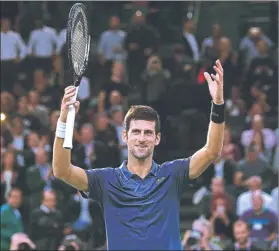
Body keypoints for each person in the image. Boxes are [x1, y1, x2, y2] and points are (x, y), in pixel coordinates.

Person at [52, 60, 225, 250]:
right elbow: (62, 171)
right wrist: (64, 122)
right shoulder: (106, 180)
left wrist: (217, 105)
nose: (142, 138)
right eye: (136, 132)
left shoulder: (172, 174)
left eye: (148, 132)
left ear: (157, 138)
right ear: (125, 136)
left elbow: (211, 151)